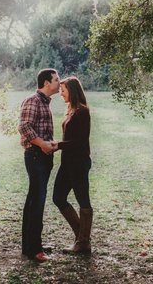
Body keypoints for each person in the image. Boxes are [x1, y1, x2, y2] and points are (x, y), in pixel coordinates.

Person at [18, 68, 60, 262]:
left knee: (34, 200)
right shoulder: (33, 101)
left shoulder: (45, 103)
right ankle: (35, 249)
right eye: (56, 80)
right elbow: (24, 126)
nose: (59, 83)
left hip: (43, 157)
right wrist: (42, 144)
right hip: (35, 157)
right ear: (46, 83)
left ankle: (31, 245)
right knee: (37, 201)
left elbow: (39, 130)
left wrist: (50, 143)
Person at [52, 76, 93, 254]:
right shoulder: (71, 109)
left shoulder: (82, 111)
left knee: (83, 199)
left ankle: (83, 242)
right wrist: (59, 145)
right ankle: (82, 238)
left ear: (72, 91)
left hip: (78, 163)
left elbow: (80, 141)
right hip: (67, 162)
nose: (60, 93)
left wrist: (58, 145)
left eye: (63, 90)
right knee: (58, 197)